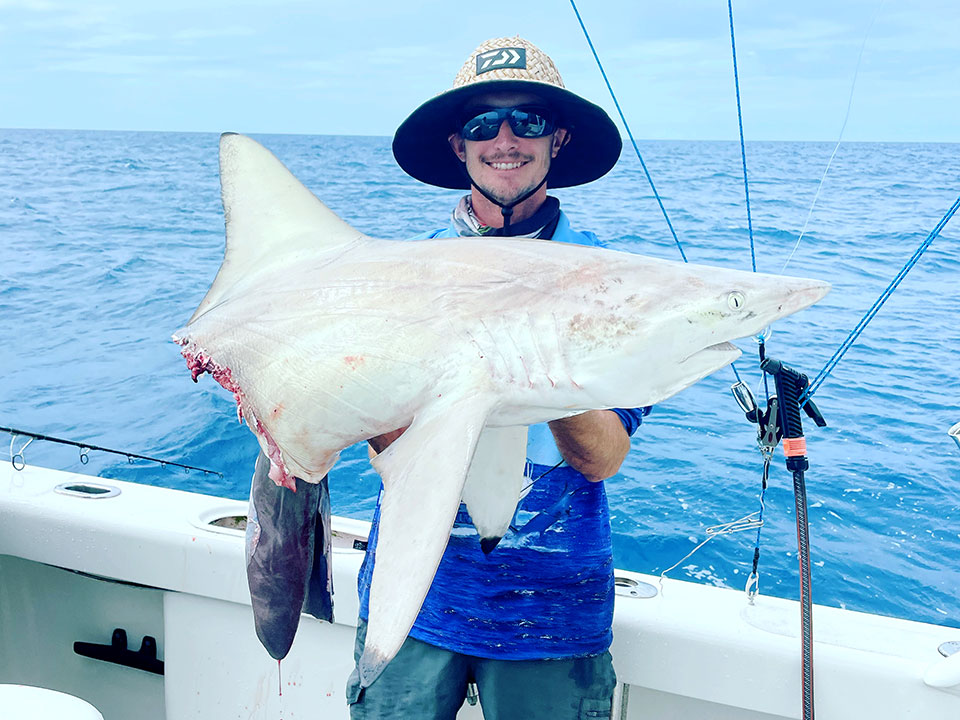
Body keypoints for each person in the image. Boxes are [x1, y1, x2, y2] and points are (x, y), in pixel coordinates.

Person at [346, 36, 649, 720]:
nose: (505, 140)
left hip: (554, 615)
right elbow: (382, 449)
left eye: (529, 122)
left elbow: (603, 458)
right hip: (414, 598)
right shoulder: (403, 277)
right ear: (459, 146)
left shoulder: (613, 287)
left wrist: (542, 366)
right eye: (483, 125)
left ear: (558, 139)